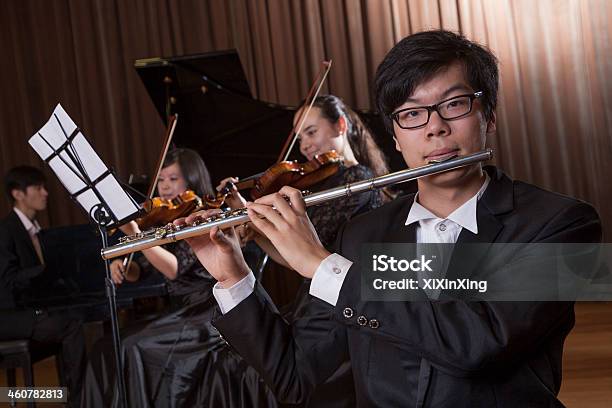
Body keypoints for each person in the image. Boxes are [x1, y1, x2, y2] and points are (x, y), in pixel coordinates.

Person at [178, 30, 602, 407]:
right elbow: (296, 375)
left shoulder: (560, 224)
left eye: (453, 105)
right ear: (396, 136)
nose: (434, 128)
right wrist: (234, 278)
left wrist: (323, 265)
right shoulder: (364, 234)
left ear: (487, 115)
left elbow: (477, 344)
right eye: (412, 114)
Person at [210, 94, 389, 407]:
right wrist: (250, 220)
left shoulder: (359, 180)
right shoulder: (319, 189)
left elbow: (309, 249)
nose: (305, 145)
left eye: (311, 131)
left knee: (263, 377)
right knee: (236, 363)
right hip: (313, 302)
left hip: (343, 309)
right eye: (299, 137)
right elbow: (295, 260)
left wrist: (259, 221)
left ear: (340, 125)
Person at [82, 148, 274, 407]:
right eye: (161, 180)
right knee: (107, 347)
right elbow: (142, 269)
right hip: (182, 312)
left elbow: (173, 268)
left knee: (130, 347)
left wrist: (137, 234)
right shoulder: (166, 218)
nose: (165, 187)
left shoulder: (204, 215)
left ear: (192, 181)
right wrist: (124, 267)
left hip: (209, 313)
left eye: (174, 179)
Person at [0, 165, 86, 407]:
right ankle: (77, 399)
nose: (45, 192)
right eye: (38, 188)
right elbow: (8, 282)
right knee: (71, 324)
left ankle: (77, 393)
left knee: (75, 315)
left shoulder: (37, 231)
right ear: (18, 194)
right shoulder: (5, 231)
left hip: (31, 308)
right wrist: (47, 271)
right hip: (10, 315)